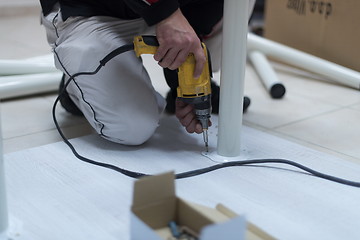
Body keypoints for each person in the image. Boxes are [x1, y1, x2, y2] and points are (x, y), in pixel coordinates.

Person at [40, 0, 254, 145]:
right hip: (91, 10)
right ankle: (77, 90)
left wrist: (187, 80)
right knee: (132, 128)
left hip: (173, 8)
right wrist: (165, 12)